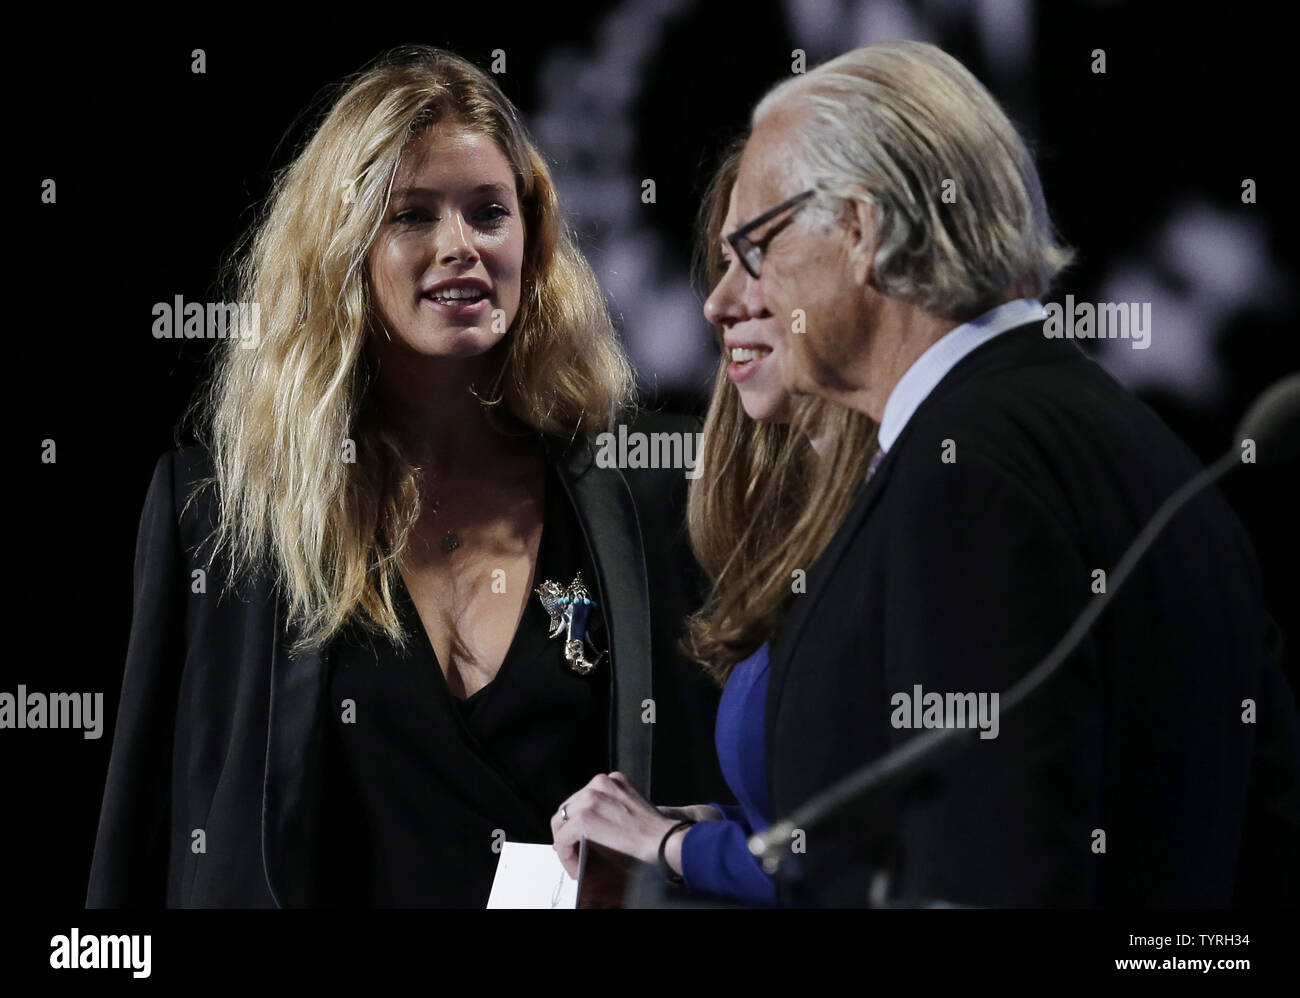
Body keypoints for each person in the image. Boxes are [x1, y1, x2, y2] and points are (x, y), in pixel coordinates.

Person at [86, 44, 725, 909]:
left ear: (531, 240)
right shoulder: (216, 515)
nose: (460, 245)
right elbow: (134, 852)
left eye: (489, 211)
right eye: (413, 215)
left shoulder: (649, 495)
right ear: (341, 248)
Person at [722, 39, 1300, 906]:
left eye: (755, 244)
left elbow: (985, 873)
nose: (722, 297)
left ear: (860, 230)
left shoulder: (966, 474)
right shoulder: (1146, 449)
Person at [549, 142, 879, 905]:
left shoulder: (912, 515)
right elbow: (809, 820)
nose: (719, 301)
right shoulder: (804, 516)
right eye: (723, 263)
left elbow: (873, 862)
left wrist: (674, 845)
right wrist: (696, 826)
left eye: (761, 262)